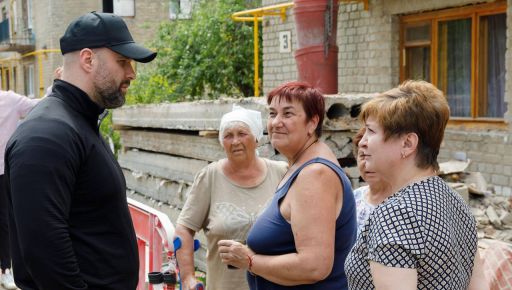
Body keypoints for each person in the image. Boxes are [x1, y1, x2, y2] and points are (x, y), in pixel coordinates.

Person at [4, 12, 156, 290]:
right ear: (88, 60)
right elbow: (44, 252)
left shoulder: (78, 123)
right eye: (123, 62)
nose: (131, 73)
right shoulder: (48, 135)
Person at [344, 80, 484, 289]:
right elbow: (479, 285)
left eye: (371, 132)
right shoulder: (452, 199)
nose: (361, 141)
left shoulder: (396, 215)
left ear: (408, 144)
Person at [218, 81, 357, 289]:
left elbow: (313, 266)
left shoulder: (315, 175)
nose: (276, 122)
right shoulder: (299, 167)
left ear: (312, 123)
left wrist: (249, 261)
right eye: (272, 113)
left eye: (288, 114)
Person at [175, 104, 288, 290]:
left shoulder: (282, 173)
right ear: (222, 142)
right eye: (228, 136)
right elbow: (184, 229)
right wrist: (188, 278)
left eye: (242, 134)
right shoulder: (210, 177)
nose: (235, 141)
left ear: (257, 139)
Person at [0, 91, 40, 290]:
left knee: (6, 221)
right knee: (5, 222)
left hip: (3, 169)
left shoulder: (9, 100)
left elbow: (38, 106)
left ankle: (6, 269)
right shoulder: (10, 99)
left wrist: (57, 86)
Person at [351, 127, 392, 233]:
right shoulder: (354, 198)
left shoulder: (401, 203)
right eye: (362, 156)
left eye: (373, 156)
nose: (367, 164)